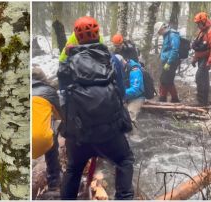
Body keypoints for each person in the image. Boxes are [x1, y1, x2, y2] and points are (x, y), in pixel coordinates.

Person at [58, 16, 135, 200]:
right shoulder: (112, 59)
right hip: (110, 133)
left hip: (79, 135)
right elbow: (122, 93)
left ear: (76, 37)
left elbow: (63, 95)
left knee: (73, 170)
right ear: (98, 34)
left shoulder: (67, 62)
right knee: (125, 161)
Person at [32, 67, 62, 191]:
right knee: (52, 136)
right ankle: (54, 180)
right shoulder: (48, 91)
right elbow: (60, 115)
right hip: (40, 141)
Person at [117, 55, 145, 135]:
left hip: (138, 96)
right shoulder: (120, 69)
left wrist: (120, 93)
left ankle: (136, 137)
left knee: (130, 115)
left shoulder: (134, 69)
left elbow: (137, 89)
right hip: (125, 96)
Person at [154, 22, 180, 103]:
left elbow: (175, 50)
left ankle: (165, 99)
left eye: (159, 32)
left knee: (166, 80)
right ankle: (172, 99)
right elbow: (166, 49)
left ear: (162, 29)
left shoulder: (173, 35)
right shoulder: (166, 35)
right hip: (166, 61)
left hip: (172, 61)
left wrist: (169, 62)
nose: (159, 34)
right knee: (166, 80)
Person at [191, 12, 211, 106]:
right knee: (204, 79)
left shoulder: (210, 31)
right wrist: (194, 58)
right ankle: (203, 102)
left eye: (199, 23)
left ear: (203, 21)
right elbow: (198, 46)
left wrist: (209, 62)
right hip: (201, 58)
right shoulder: (201, 31)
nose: (198, 25)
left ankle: (202, 102)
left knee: (199, 77)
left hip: (207, 59)